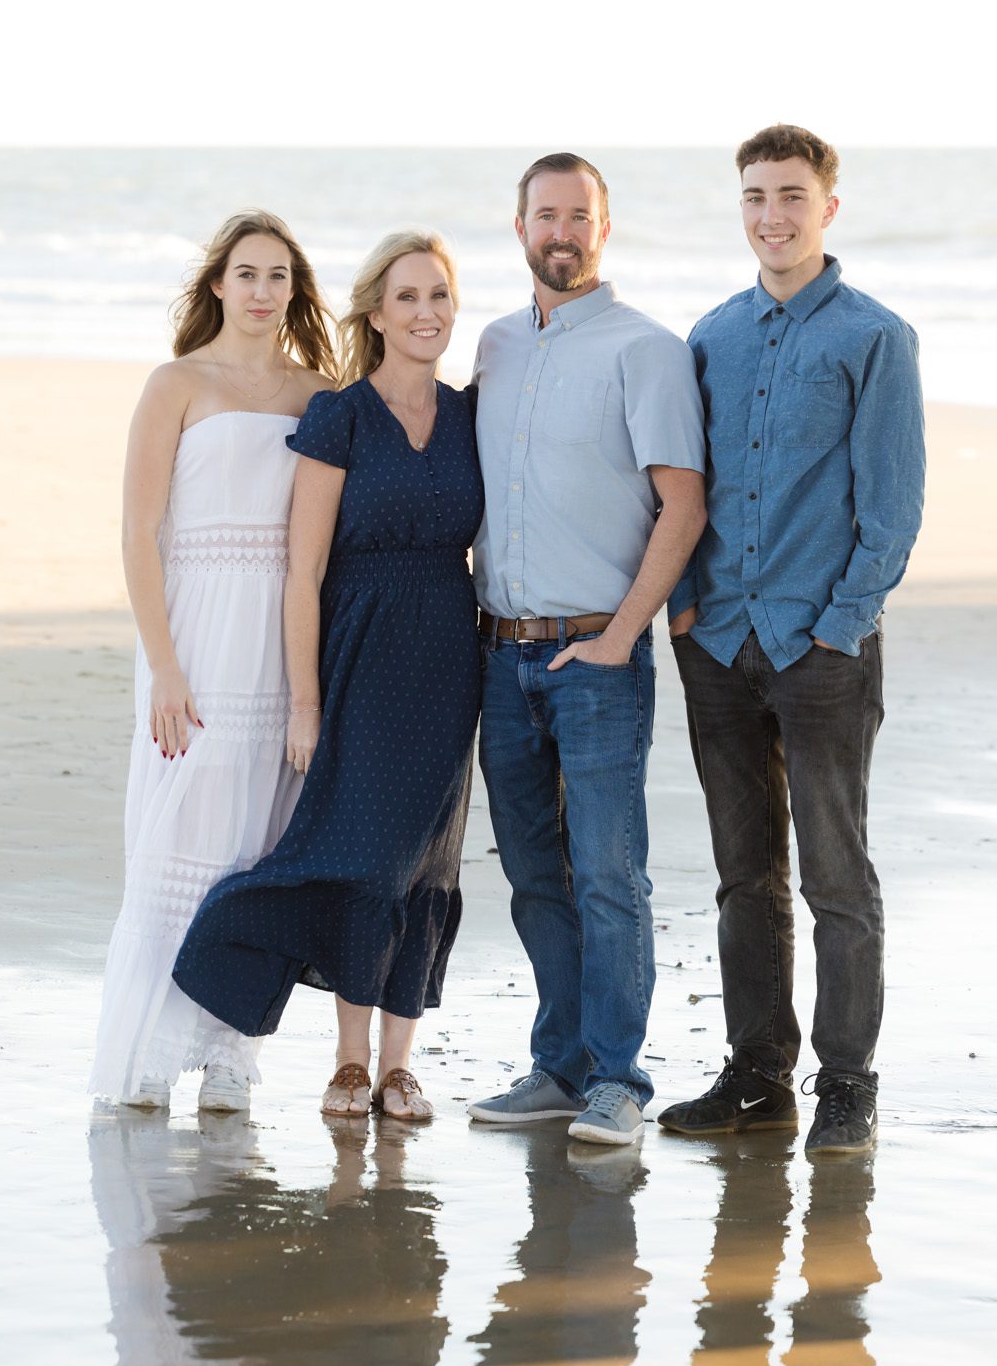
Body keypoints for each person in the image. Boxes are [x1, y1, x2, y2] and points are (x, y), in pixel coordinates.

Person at [172, 231, 484, 1123]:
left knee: (425, 863)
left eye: (438, 296)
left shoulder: (472, 414)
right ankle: (348, 1061)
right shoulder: (338, 416)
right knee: (358, 860)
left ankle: (398, 1066)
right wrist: (304, 703)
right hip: (358, 652)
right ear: (375, 315)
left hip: (446, 656)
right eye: (407, 297)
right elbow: (302, 572)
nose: (425, 313)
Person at [658, 124, 925, 1155]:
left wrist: (840, 626)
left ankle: (846, 1085)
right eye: (755, 196)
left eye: (791, 196)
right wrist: (686, 604)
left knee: (835, 877)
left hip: (822, 649)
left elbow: (891, 506)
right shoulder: (711, 335)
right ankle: (757, 1076)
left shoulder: (874, 336)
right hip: (718, 642)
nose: (771, 215)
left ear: (828, 208)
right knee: (743, 876)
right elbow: (683, 485)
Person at [467, 155, 706, 1147]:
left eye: (579, 215)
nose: (560, 231)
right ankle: (558, 1066)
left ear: (604, 228)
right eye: (545, 214)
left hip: (595, 658)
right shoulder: (493, 345)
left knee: (609, 874)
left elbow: (682, 505)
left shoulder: (646, 349)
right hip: (500, 654)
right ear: (519, 226)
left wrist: (619, 636)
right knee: (533, 875)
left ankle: (618, 1078)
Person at [88, 210, 336, 1112]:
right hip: (193, 636)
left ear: (295, 293)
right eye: (247, 274)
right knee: (177, 842)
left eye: (278, 277)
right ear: (219, 286)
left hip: (279, 638)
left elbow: (321, 545)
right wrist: (163, 666)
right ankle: (153, 1048)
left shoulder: (319, 395)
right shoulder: (176, 384)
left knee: (258, 846)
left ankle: (233, 1053)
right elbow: (137, 533)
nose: (262, 291)